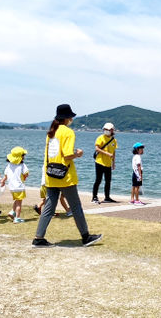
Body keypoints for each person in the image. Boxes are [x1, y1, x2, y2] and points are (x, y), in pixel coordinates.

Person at [32, 104, 102, 248]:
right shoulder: (68, 132)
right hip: (65, 176)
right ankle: (86, 237)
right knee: (76, 206)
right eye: (71, 117)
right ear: (67, 118)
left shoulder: (52, 131)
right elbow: (67, 154)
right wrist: (79, 153)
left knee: (49, 207)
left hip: (51, 174)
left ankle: (39, 238)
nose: (72, 119)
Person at [0, 147, 29, 224]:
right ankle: (17, 218)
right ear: (21, 157)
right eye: (23, 155)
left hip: (11, 187)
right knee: (19, 203)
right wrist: (25, 177)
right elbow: (26, 174)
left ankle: (12, 212)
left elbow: (5, 175)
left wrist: (3, 181)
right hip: (19, 186)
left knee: (17, 199)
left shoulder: (9, 165)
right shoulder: (22, 165)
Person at [91, 122, 118, 204]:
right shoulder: (100, 138)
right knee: (98, 180)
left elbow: (113, 152)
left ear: (112, 130)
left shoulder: (114, 140)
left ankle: (107, 197)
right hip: (99, 162)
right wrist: (107, 154)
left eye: (108, 129)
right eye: (105, 129)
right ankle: (94, 197)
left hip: (108, 163)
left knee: (108, 181)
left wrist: (113, 163)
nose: (106, 131)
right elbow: (97, 149)